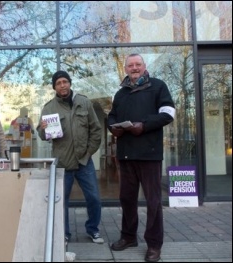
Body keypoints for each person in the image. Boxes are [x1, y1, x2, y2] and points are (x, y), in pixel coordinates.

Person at [107, 54, 176, 262]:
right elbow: (112, 115)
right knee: (127, 199)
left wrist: (143, 126)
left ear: (144, 67)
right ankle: (128, 237)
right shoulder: (120, 93)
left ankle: (154, 244)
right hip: (126, 154)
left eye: (138, 64)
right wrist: (113, 127)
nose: (134, 68)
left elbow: (168, 113)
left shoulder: (158, 86)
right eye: (130, 65)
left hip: (149, 154)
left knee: (153, 202)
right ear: (125, 69)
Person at [36, 70, 104, 244]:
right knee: (61, 202)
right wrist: (43, 129)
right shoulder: (49, 107)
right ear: (54, 87)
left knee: (94, 198)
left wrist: (88, 153)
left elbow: (96, 130)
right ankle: (64, 233)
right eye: (58, 83)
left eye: (65, 81)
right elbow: (43, 135)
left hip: (83, 161)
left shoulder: (84, 102)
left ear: (70, 83)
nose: (62, 85)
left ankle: (93, 229)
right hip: (63, 164)